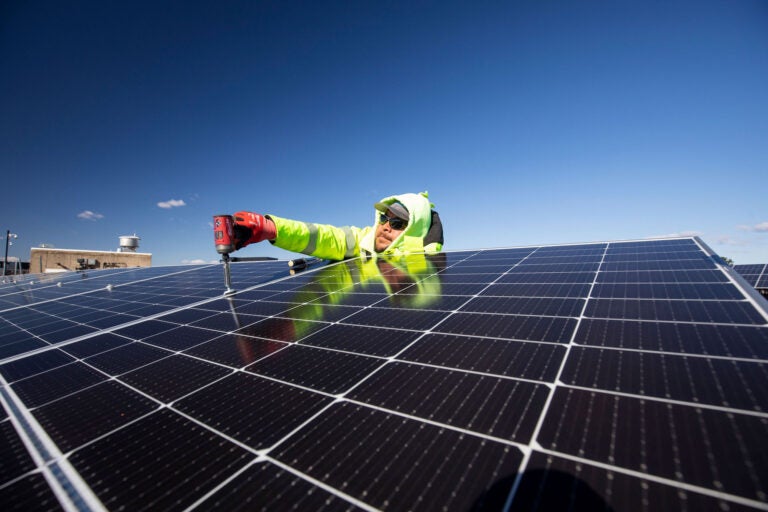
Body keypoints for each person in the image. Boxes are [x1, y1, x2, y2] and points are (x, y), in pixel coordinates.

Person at [231, 191, 443, 260]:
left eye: (397, 223)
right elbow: (327, 237)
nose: (386, 227)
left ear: (415, 229)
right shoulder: (364, 242)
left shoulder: (423, 269)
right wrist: (273, 228)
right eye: (383, 219)